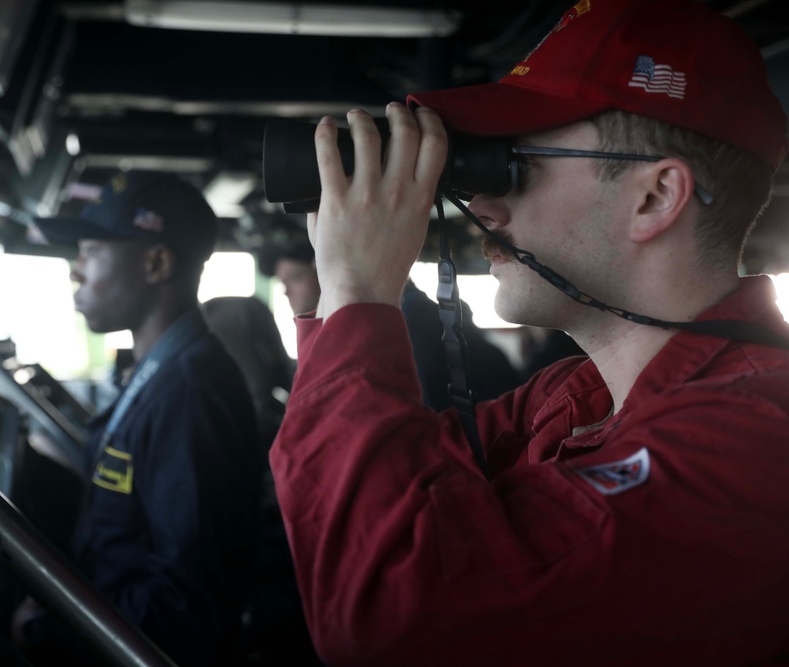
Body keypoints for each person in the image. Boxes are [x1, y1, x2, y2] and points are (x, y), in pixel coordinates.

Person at [269, 0, 789, 665]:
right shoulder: (573, 398)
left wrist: (359, 297)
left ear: (655, 197)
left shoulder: (753, 440)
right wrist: (346, 292)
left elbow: (392, 619)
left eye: (519, 162)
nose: (483, 204)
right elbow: (352, 503)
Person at [16, 171, 264, 667]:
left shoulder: (190, 392)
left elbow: (185, 606)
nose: (76, 272)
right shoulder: (160, 374)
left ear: (155, 263)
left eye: (89, 252)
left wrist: (49, 627)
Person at [260, 238, 520, 408]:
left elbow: (423, 413)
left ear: (324, 271)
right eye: (281, 283)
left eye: (294, 278)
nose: (286, 292)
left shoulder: (407, 321)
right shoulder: (394, 313)